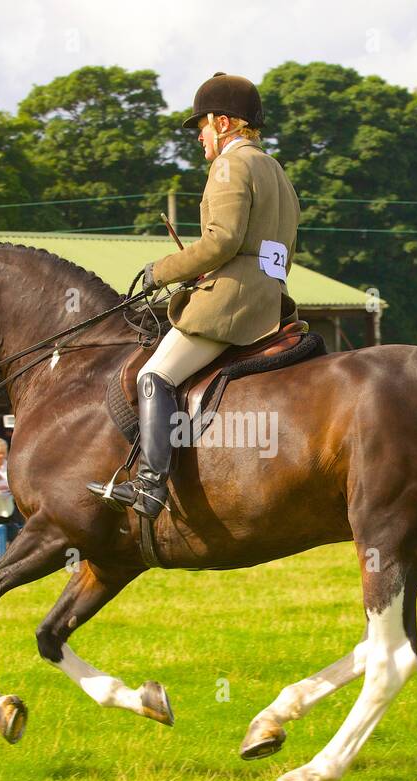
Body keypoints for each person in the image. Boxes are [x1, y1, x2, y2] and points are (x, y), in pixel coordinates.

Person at [86, 72, 300, 519]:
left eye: (201, 127)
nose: (199, 138)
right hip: (271, 299)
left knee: (154, 376)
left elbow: (222, 241)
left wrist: (159, 272)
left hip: (230, 305)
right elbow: (270, 250)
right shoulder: (276, 171)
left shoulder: (229, 164)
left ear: (223, 123)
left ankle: (148, 486)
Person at [0, 437, 23, 559]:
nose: (1, 456)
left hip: (8, 505)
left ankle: (11, 559)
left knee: (14, 533)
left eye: (3, 453)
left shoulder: (8, 465)